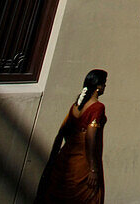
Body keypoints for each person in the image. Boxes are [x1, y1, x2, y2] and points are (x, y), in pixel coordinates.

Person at [36, 69, 108, 203]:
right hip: (83, 162)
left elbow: (62, 132)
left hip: (66, 158)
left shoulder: (75, 107)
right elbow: (91, 137)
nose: (105, 87)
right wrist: (93, 168)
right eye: (104, 84)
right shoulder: (97, 108)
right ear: (98, 86)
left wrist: (53, 158)